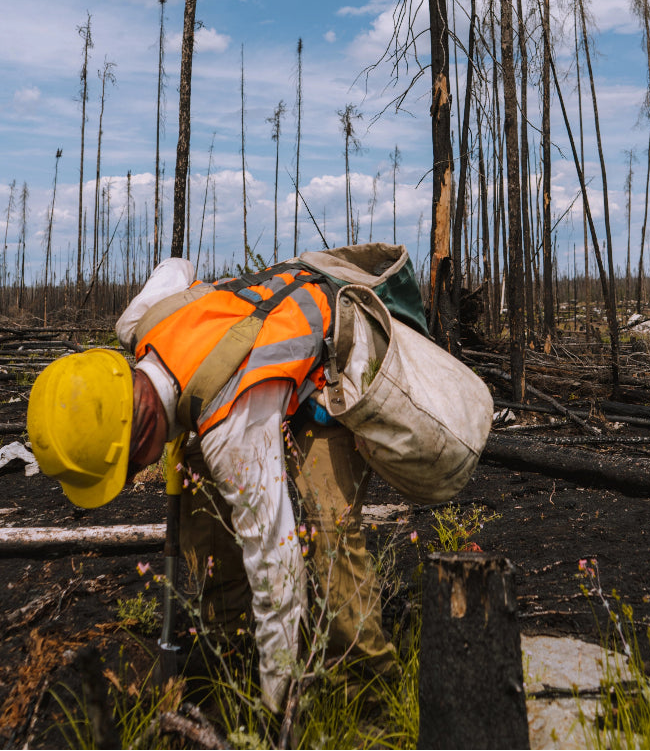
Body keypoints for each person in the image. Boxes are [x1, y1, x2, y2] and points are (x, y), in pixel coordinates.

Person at [27, 256, 398, 713]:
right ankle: (232, 649)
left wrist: (275, 706)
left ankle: (368, 686)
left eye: (126, 472)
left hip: (329, 368)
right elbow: (175, 266)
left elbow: (277, 571)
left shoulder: (231, 433)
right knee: (201, 504)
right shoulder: (138, 322)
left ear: (140, 440)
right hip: (244, 383)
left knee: (328, 532)